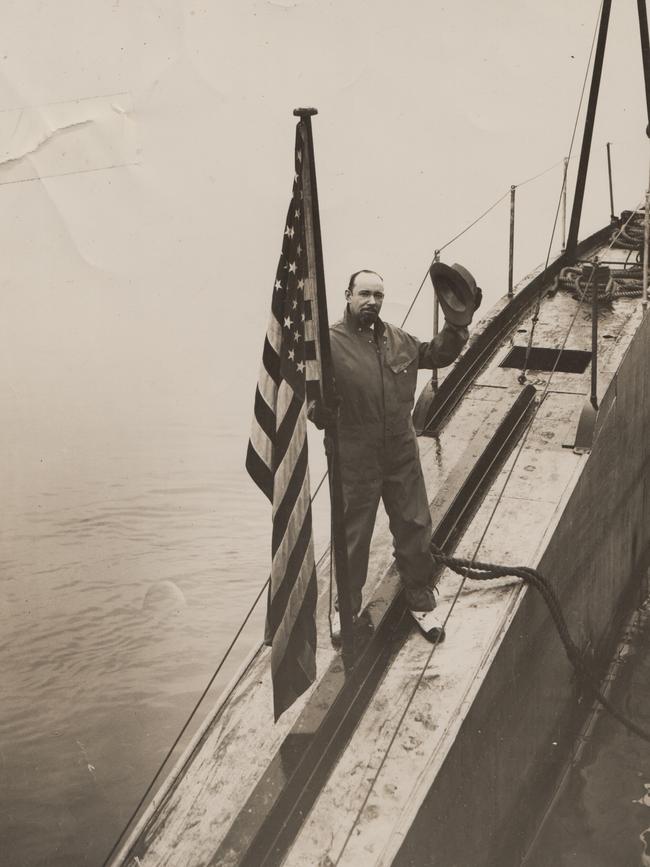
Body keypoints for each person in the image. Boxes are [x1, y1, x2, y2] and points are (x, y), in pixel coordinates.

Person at [310, 267, 481, 643]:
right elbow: (309, 397)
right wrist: (319, 411)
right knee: (354, 537)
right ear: (348, 296)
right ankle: (347, 611)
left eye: (378, 295)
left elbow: (434, 355)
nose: (372, 301)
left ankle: (420, 601)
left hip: (401, 452)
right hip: (356, 457)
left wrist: (457, 324)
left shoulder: (397, 339)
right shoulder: (329, 345)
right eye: (365, 294)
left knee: (414, 526)